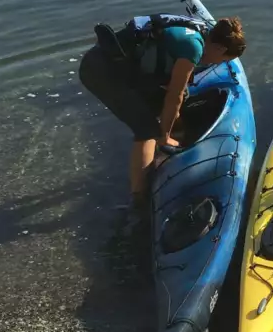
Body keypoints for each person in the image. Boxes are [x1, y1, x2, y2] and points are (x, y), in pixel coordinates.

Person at [80, 11, 246, 203]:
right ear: (219, 48)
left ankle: (176, 139)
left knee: (180, 97)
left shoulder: (204, 32)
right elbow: (174, 97)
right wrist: (163, 135)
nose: (219, 64)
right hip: (99, 72)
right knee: (146, 130)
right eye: (224, 60)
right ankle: (139, 198)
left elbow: (178, 92)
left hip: (124, 68)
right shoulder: (192, 47)